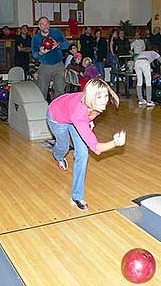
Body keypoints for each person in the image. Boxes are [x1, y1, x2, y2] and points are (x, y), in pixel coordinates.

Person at [46, 78, 126, 210]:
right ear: (90, 98)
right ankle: (58, 156)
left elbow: (87, 116)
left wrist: (89, 120)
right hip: (57, 115)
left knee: (82, 154)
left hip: (72, 113)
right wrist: (115, 142)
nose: (104, 100)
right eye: (99, 97)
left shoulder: (96, 105)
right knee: (63, 146)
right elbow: (97, 148)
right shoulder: (79, 114)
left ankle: (76, 196)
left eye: (106, 95)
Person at [31, 17, 69, 100]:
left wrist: (58, 44)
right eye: (43, 24)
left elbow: (66, 45)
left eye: (47, 23)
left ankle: (58, 110)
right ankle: (42, 110)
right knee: (42, 91)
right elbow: (34, 55)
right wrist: (40, 53)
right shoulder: (36, 38)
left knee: (60, 90)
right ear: (39, 26)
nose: (46, 26)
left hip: (58, 65)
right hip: (45, 66)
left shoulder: (56, 32)